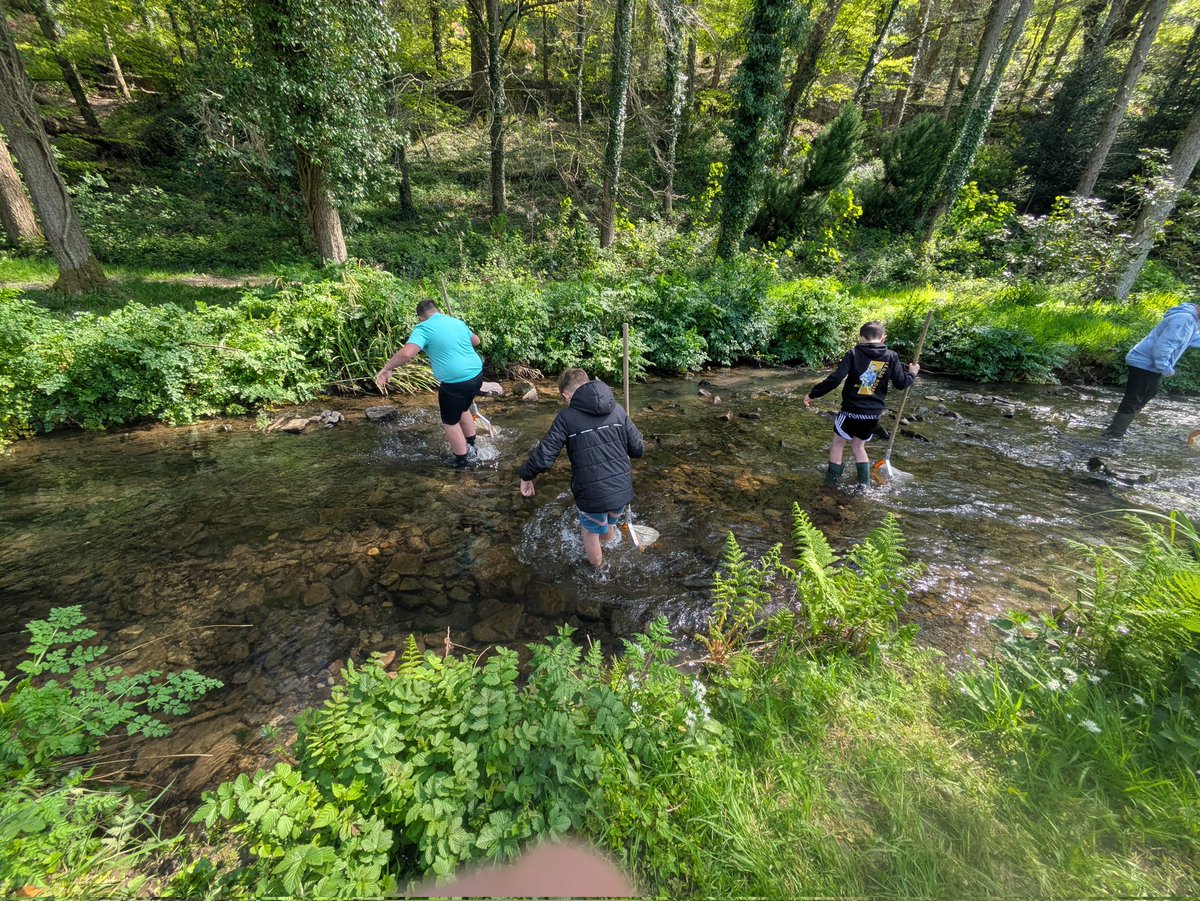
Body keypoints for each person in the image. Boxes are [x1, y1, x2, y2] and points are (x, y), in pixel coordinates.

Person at [518, 368, 645, 567]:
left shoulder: (566, 418)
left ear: (566, 395)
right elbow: (638, 449)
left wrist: (526, 475)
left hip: (592, 495)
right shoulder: (618, 409)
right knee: (609, 522)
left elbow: (544, 457)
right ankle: (610, 544)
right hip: (622, 490)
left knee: (590, 532)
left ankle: (598, 570)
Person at [803, 321, 919, 488]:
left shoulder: (853, 353)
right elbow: (901, 384)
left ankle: (831, 485)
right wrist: (912, 374)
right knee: (858, 446)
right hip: (873, 414)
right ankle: (864, 486)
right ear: (883, 337)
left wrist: (813, 394)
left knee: (838, 444)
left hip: (850, 411)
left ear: (861, 338)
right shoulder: (891, 356)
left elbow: (835, 379)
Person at [375, 300, 484, 468]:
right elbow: (476, 341)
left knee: (450, 422)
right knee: (463, 409)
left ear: (420, 318)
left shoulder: (423, 328)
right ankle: (472, 445)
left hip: (455, 382)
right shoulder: (456, 321)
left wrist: (387, 368)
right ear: (437, 310)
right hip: (476, 375)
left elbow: (407, 353)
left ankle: (463, 461)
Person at [1103, 301, 1200, 438]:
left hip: (1145, 362)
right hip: (1145, 362)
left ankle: (1119, 428)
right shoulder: (1184, 319)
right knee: (1136, 397)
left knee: (1147, 394)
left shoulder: (1191, 319)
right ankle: (1114, 433)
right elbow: (1163, 347)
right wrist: (1165, 368)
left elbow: (1191, 338)